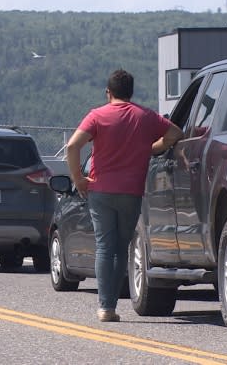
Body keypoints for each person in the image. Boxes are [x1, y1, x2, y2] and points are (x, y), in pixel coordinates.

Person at [65, 69, 183, 322]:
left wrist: (78, 179)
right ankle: (111, 303)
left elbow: (73, 145)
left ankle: (106, 307)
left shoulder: (97, 116)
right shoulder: (145, 116)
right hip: (131, 191)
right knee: (121, 248)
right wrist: (149, 149)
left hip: (100, 191)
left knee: (104, 246)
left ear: (108, 92)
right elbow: (175, 134)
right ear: (131, 92)